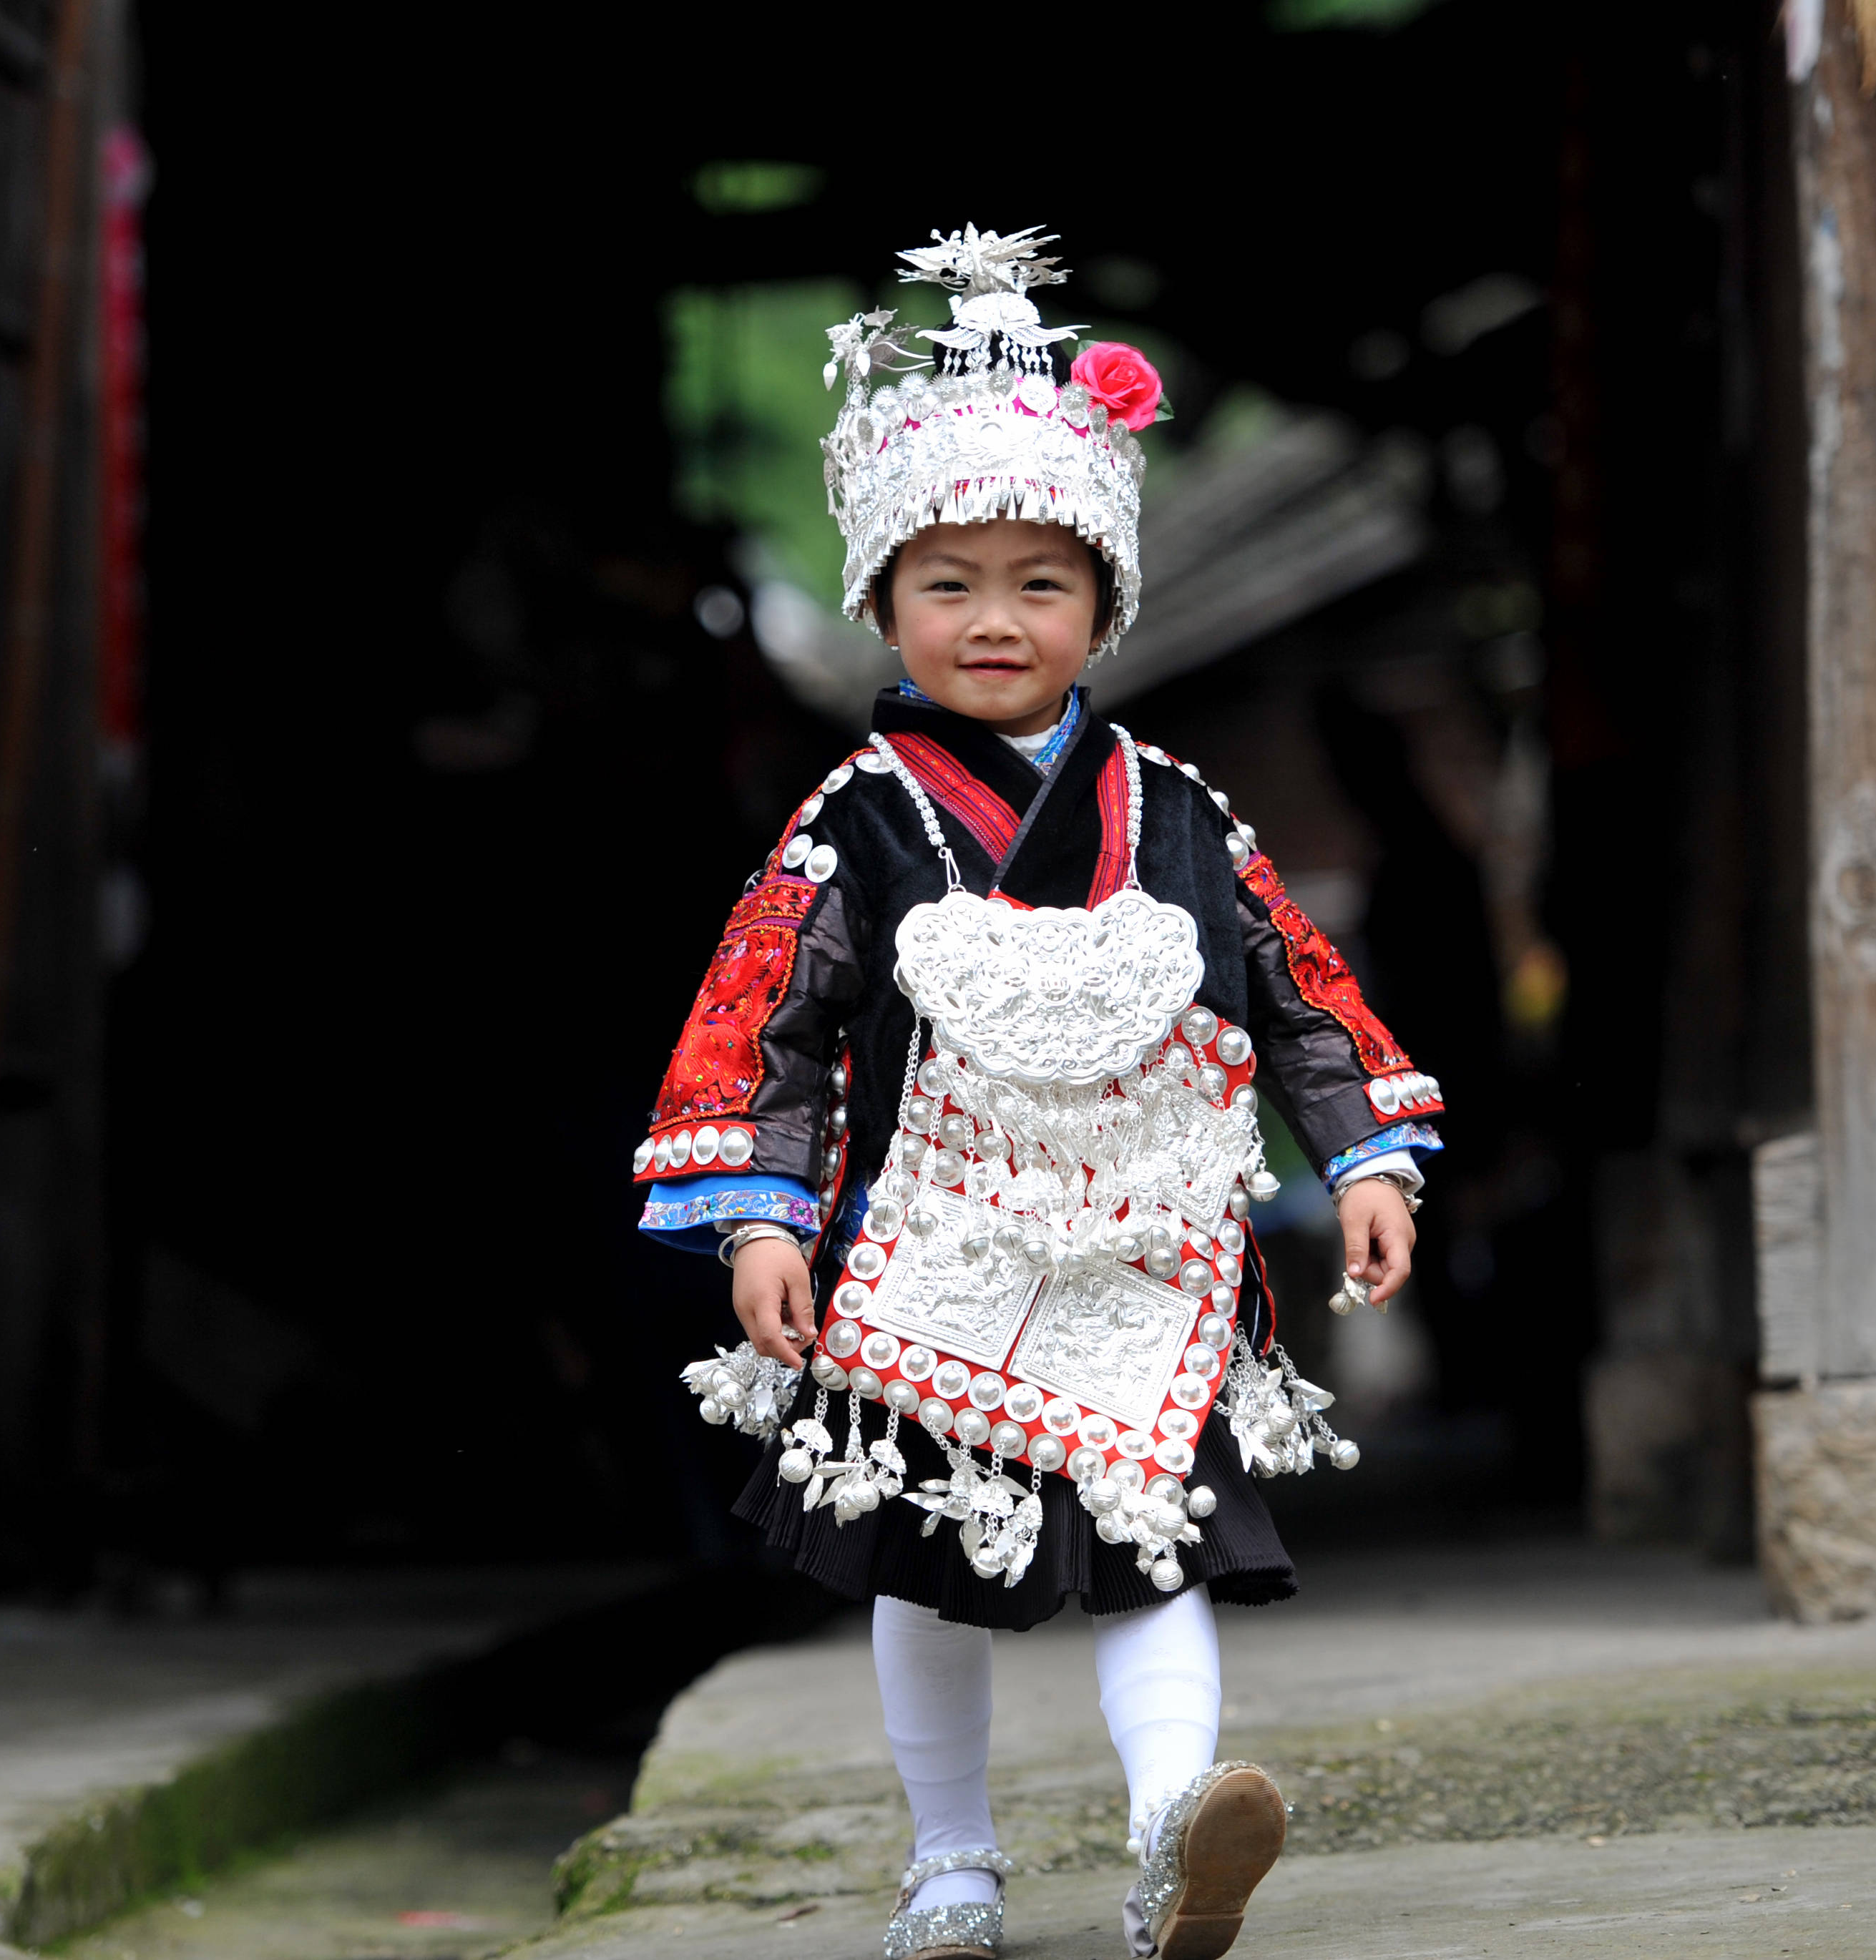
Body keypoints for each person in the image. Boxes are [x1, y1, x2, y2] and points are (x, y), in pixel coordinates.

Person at [637, 226, 1444, 1960]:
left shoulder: (1175, 804)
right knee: (922, 1569)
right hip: (929, 1245)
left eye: (1039, 582)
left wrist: (1363, 1147)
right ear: (880, 601)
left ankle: (1175, 1830)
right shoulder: (848, 819)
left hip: (1154, 1251)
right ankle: (952, 1857)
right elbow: (763, 1023)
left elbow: (1297, 979)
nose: (994, 618)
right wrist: (761, 1216)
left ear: (1104, 606)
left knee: (1158, 1549)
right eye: (949, 582)